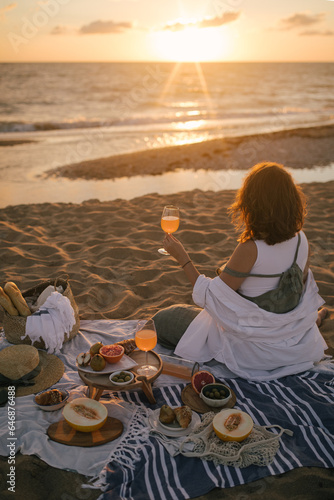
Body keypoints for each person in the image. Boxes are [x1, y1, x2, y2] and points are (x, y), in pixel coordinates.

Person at [153, 162, 328, 381]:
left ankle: (315, 320)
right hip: (292, 340)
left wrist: (182, 258)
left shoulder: (250, 248)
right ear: (291, 201)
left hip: (253, 350)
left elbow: (212, 297)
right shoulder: (302, 239)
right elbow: (298, 290)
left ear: (252, 203)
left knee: (163, 319)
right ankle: (317, 320)